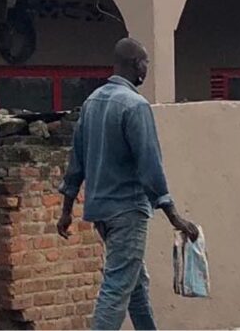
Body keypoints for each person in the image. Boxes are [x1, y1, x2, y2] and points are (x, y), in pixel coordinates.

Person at [58, 38, 198, 330]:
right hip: (127, 212)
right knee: (118, 286)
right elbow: (150, 165)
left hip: (100, 212)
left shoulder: (92, 102)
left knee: (134, 281)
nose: (147, 67)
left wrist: (67, 209)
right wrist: (174, 216)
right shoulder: (135, 106)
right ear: (136, 65)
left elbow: (76, 162)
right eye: (145, 62)